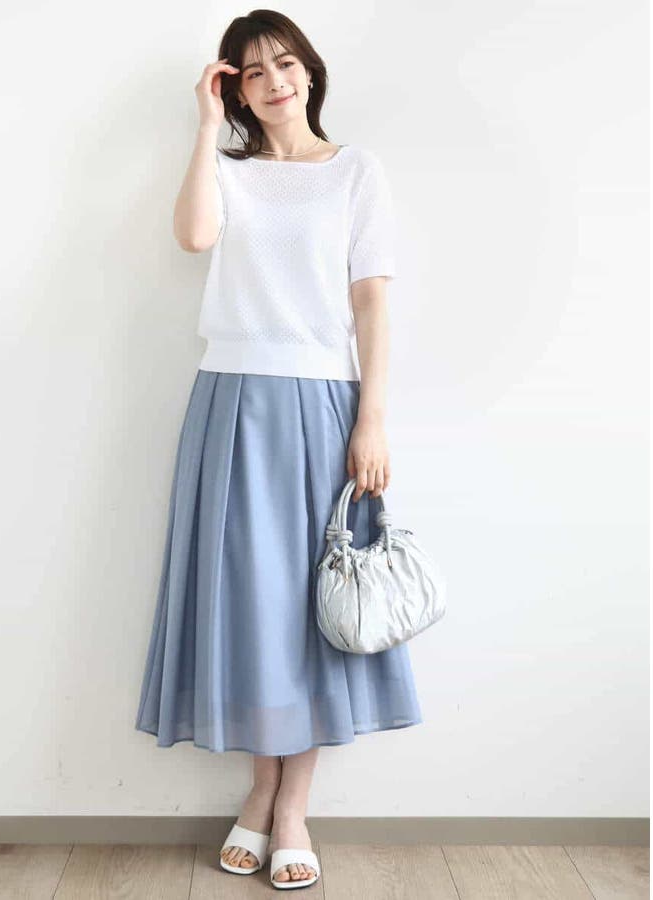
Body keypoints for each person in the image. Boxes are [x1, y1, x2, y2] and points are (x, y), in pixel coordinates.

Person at [134, 10, 422, 890]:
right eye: (252, 73)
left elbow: (371, 303)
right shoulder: (227, 171)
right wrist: (202, 125)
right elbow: (193, 237)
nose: (274, 83)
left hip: (325, 403)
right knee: (254, 604)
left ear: (311, 72)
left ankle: (290, 805)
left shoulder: (356, 171)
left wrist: (372, 420)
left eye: (286, 64)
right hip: (229, 400)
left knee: (312, 604)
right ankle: (261, 791)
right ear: (234, 90)